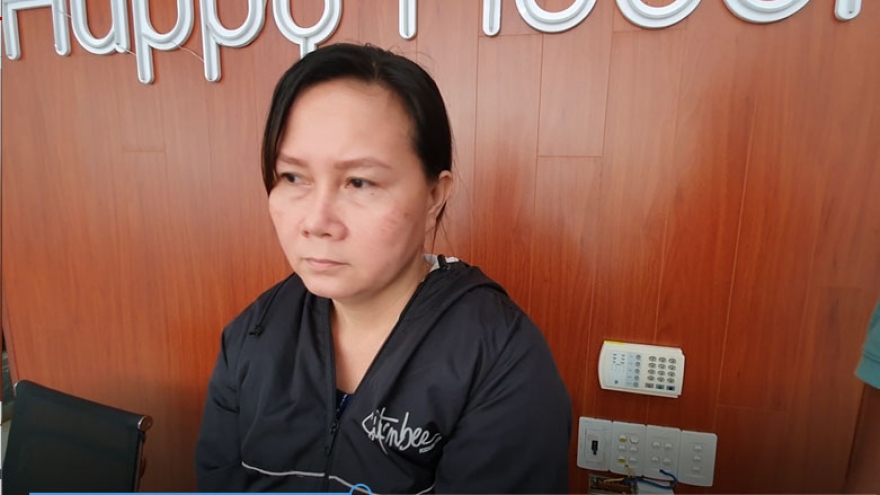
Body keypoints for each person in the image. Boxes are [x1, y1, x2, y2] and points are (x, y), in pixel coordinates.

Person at [194, 43, 572, 494]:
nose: (316, 222)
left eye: (359, 182)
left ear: (434, 196)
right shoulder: (251, 336)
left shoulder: (499, 359)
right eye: (293, 177)